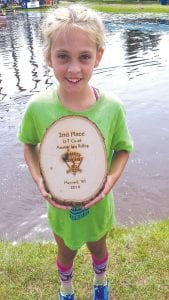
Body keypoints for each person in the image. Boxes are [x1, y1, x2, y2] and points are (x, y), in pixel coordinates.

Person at [18, 4, 133, 300]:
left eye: (84, 57)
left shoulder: (112, 108)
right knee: (65, 252)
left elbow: (122, 149)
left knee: (99, 248)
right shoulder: (38, 108)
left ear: (98, 56)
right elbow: (28, 144)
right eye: (63, 57)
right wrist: (38, 179)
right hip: (60, 206)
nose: (74, 68)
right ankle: (66, 289)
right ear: (48, 57)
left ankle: (100, 283)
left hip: (99, 203)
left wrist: (110, 181)